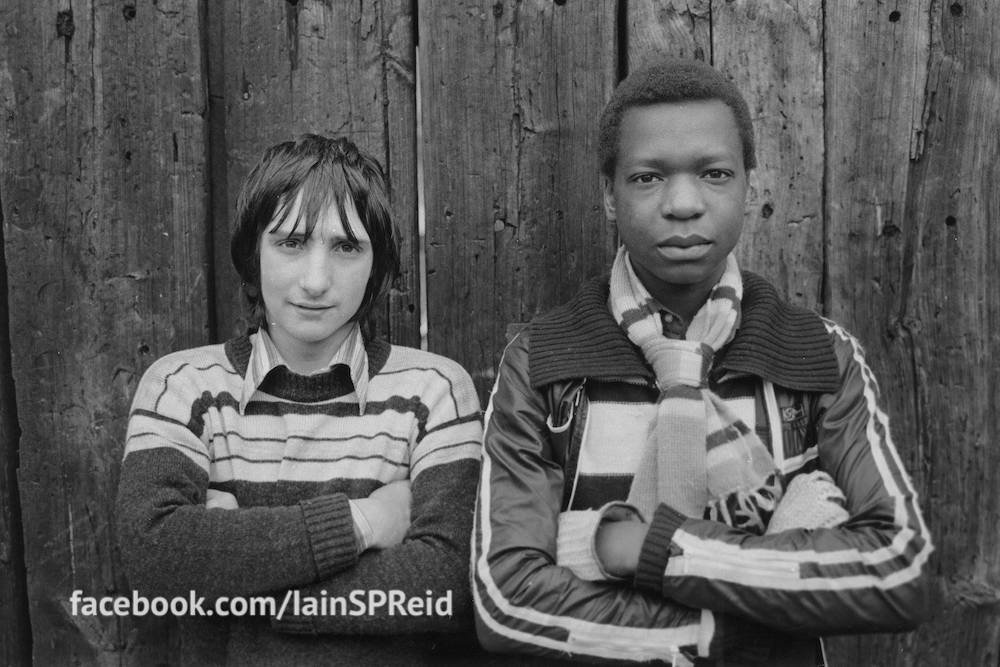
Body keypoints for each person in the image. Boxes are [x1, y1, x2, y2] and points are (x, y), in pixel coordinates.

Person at [472, 58, 934, 666]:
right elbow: (507, 601)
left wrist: (647, 551)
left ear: (752, 188)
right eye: (647, 178)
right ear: (608, 196)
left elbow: (900, 568)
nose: (683, 203)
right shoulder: (544, 363)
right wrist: (730, 627)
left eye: (714, 173)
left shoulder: (819, 355)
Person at [117, 134, 482, 665]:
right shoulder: (183, 386)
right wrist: (364, 523)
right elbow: (154, 561)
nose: (316, 281)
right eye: (291, 242)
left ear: (376, 264)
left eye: (346, 247)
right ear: (253, 252)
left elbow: (448, 586)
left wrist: (231, 575)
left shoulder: (433, 391)